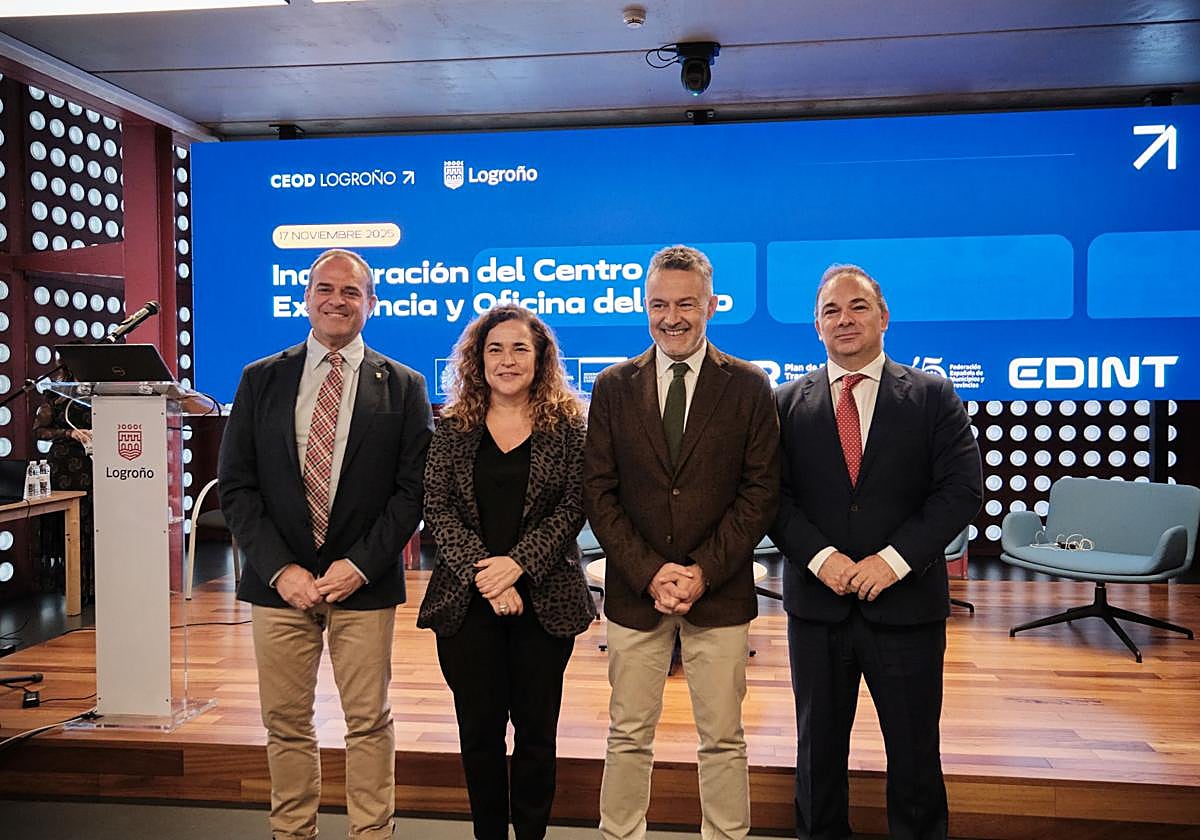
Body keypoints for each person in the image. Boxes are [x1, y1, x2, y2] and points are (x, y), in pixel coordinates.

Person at [219, 248, 433, 840]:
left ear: (372, 303)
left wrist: (360, 565)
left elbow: (412, 492)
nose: (337, 301)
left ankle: (372, 833)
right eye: (325, 289)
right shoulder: (260, 378)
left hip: (363, 583)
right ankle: (293, 833)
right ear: (306, 298)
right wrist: (280, 569)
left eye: (351, 291)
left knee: (368, 722)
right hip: (279, 585)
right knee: (285, 723)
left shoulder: (405, 386)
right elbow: (236, 486)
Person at [771, 264, 982, 840]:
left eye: (858, 306)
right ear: (816, 327)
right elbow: (771, 499)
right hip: (817, 611)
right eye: (831, 311)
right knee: (817, 760)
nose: (844, 319)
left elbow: (961, 490)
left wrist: (892, 562)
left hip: (906, 609)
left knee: (915, 759)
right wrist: (823, 560)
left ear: (883, 316)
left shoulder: (932, 396)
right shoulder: (784, 403)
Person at [583, 244, 780, 840]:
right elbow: (599, 492)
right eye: (659, 305)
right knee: (627, 736)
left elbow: (760, 492)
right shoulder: (613, 386)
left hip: (717, 594)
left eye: (686, 304)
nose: (672, 318)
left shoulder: (749, 385)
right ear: (645, 306)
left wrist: (701, 571)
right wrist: (650, 571)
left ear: (712, 306)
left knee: (723, 738)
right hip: (635, 593)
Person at [417, 304, 594, 840]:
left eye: (520, 348)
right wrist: (488, 578)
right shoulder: (453, 426)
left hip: (546, 602)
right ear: (478, 360)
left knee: (537, 736)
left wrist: (517, 565)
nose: (507, 359)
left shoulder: (569, 427)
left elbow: (573, 506)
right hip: (466, 604)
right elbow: (437, 507)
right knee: (480, 735)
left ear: (541, 359)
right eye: (495, 349)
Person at [32, 364, 94, 602]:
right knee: (68, 524)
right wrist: (69, 433)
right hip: (65, 464)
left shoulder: (102, 391)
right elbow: (39, 431)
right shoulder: (55, 394)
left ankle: (95, 584)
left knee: (93, 523)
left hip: (95, 462)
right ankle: (73, 586)